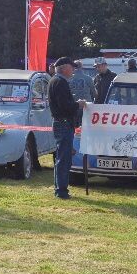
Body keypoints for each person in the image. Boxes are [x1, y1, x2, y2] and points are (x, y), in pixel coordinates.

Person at [49, 57, 86, 199]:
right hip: (63, 123)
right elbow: (65, 106)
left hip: (62, 122)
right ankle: (61, 191)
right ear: (64, 68)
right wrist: (78, 104)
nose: (73, 70)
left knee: (62, 157)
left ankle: (60, 188)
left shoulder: (56, 80)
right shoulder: (60, 82)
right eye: (72, 67)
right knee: (64, 158)